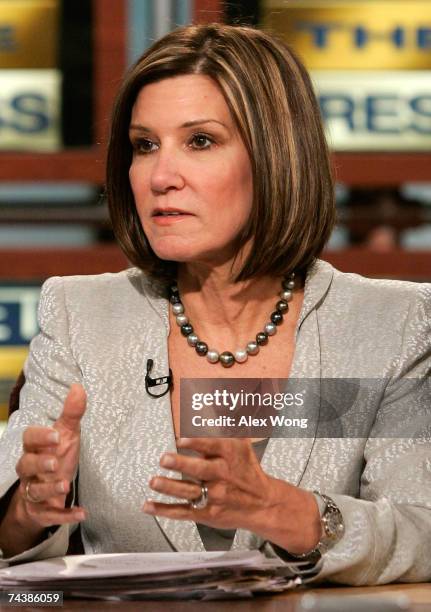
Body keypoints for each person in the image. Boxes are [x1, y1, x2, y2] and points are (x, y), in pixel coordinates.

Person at [0, 23, 430, 586]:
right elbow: (11, 531)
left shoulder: (393, 325)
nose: (160, 176)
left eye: (200, 141)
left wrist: (279, 509)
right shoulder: (80, 315)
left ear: (278, 156)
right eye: (144, 145)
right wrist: (27, 513)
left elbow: (422, 531)